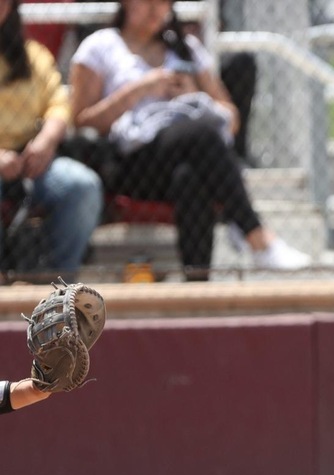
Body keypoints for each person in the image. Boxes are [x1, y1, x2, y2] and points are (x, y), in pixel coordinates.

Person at [68, 0, 310, 280]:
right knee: (202, 132)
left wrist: (192, 95)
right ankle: (255, 235)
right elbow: (80, 120)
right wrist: (138, 90)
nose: (155, 11)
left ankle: (197, 287)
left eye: (164, 4)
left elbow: (230, 118)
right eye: (147, 2)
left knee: (191, 177)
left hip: (182, 160)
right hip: (129, 163)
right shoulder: (100, 46)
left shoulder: (185, 47)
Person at [1, 0, 102, 281]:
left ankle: (57, 284)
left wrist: (45, 142)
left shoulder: (33, 55)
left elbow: (58, 104)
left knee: (82, 187)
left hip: (30, 159)